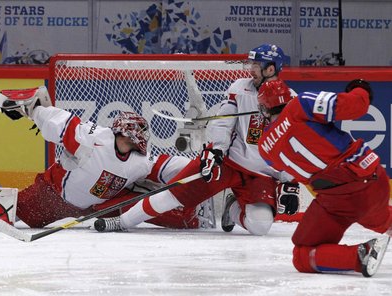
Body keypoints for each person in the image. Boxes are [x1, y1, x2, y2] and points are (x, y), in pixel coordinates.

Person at [95, 44, 300, 234]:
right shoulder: (240, 88)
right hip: (228, 161)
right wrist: (216, 150)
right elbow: (223, 122)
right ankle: (122, 222)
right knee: (173, 194)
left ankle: (232, 209)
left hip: (261, 174)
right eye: (251, 63)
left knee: (261, 226)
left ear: (270, 69)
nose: (251, 69)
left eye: (256, 65)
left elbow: (291, 145)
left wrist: (290, 181)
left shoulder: (291, 100)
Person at [0, 86, 215, 230]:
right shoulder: (93, 140)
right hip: (54, 195)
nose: (137, 140)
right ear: (123, 133)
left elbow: (168, 166)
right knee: (22, 215)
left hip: (96, 208)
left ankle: (193, 213)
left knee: (143, 204)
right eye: (134, 135)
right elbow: (62, 123)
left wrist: (203, 164)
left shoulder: (139, 162)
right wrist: (33, 110)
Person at [256, 78, 391, 277]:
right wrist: (360, 88)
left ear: (265, 110)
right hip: (369, 182)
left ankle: (360, 255)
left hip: (335, 199)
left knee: (302, 256)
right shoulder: (300, 104)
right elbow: (355, 106)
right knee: (380, 218)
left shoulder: (264, 148)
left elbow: (282, 165)